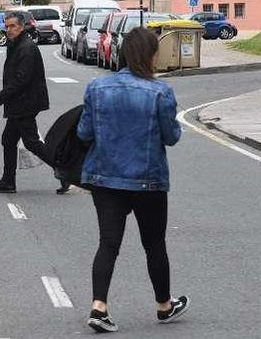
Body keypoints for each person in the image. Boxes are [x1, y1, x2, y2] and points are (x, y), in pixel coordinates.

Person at [77, 27, 189, 333]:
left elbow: (84, 133)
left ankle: (99, 307)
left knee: (108, 243)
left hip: (105, 179)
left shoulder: (97, 88)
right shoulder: (161, 92)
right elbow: (172, 136)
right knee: (154, 244)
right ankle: (164, 306)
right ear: (151, 56)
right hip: (148, 180)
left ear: (125, 53)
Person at [0, 11, 52, 194]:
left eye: (13, 26)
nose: (9, 30)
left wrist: (0, 97)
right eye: (6, 26)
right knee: (9, 140)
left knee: (31, 143)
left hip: (26, 103)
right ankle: (8, 181)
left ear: (21, 27)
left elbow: (21, 79)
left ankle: (65, 171)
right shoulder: (16, 45)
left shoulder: (26, 48)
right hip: (20, 102)